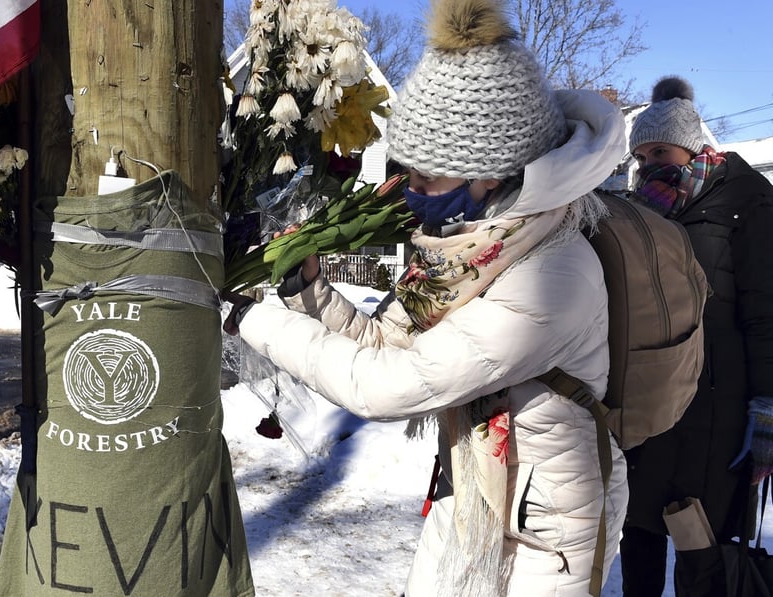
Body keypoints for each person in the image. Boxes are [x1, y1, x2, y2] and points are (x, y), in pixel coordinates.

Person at [221, 0, 629, 594]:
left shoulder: (551, 274)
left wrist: (255, 320)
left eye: (426, 178)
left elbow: (389, 385)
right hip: (472, 488)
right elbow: (387, 340)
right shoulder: (465, 251)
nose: (410, 194)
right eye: (406, 172)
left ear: (492, 172)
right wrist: (309, 293)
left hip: (551, 526)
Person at [620, 76, 773, 597]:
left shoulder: (749, 202)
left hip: (717, 415)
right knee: (637, 532)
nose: (649, 166)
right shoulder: (641, 212)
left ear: (694, 146)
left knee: (702, 547)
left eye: (660, 149)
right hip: (649, 406)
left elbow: (765, 314)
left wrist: (767, 411)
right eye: (640, 157)